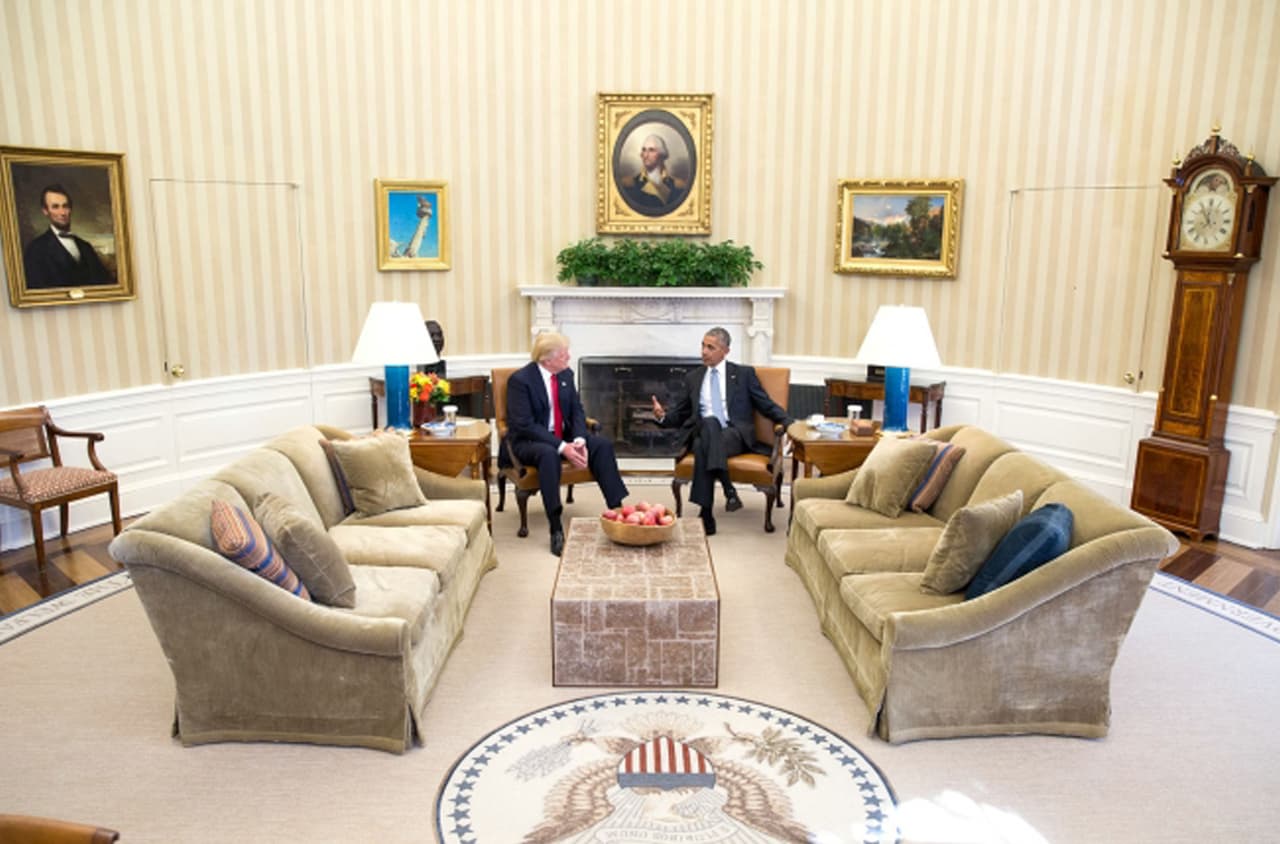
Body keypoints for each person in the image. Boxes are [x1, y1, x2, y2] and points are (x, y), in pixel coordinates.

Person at [650, 328, 788, 536]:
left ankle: (707, 513)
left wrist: (789, 423)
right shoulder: (694, 377)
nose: (704, 351)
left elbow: (765, 404)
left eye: (710, 347)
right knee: (709, 423)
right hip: (701, 430)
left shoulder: (744, 374)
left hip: (734, 435)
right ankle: (728, 489)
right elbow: (680, 414)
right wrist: (662, 416)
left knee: (703, 443)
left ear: (725, 351)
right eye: (703, 345)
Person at [505, 332, 629, 555]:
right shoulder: (520, 381)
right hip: (530, 441)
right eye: (563, 354)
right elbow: (525, 425)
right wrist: (562, 447)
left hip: (564, 435)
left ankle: (618, 510)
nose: (569, 357)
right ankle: (555, 528)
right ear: (547, 359)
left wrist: (579, 439)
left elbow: (576, 410)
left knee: (602, 445)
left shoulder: (565, 374)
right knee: (548, 454)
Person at [22, 184, 113, 289]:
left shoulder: (85, 247)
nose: (62, 212)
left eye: (65, 206)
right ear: (45, 211)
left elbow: (103, 283)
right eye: (55, 207)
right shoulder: (35, 249)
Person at [619, 133, 689, 215]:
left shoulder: (678, 186)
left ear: (661, 154)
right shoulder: (629, 185)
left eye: (651, 150)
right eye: (644, 150)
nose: (645, 155)